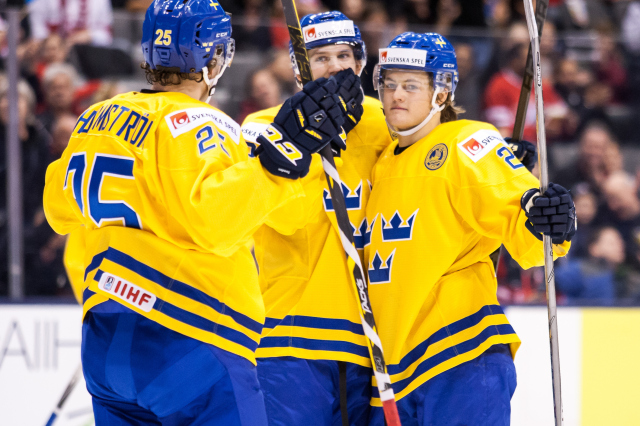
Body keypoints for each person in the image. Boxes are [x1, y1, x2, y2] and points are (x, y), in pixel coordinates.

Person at [43, 1, 345, 424]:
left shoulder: (98, 116)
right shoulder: (204, 123)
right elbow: (217, 223)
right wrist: (277, 164)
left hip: (106, 334)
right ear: (214, 57)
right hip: (191, 334)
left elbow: (59, 208)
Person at [365, 32, 575, 425]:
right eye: (389, 83)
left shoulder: (466, 141)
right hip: (394, 371)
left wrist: (548, 220)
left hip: (458, 351)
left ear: (441, 93)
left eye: (411, 85)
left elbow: (521, 220)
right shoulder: (382, 163)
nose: (396, 95)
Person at [241, 11, 391, 425]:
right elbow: (274, 213)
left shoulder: (387, 125)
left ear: (360, 64)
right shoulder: (261, 127)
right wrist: (298, 140)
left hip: (374, 341)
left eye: (343, 55)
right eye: (318, 57)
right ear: (296, 67)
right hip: (291, 337)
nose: (334, 67)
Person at [556, 226, 623, 305]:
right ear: (594, 248)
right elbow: (552, 281)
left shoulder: (625, 275)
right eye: (612, 243)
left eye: (620, 241)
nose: (619, 246)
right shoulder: (581, 269)